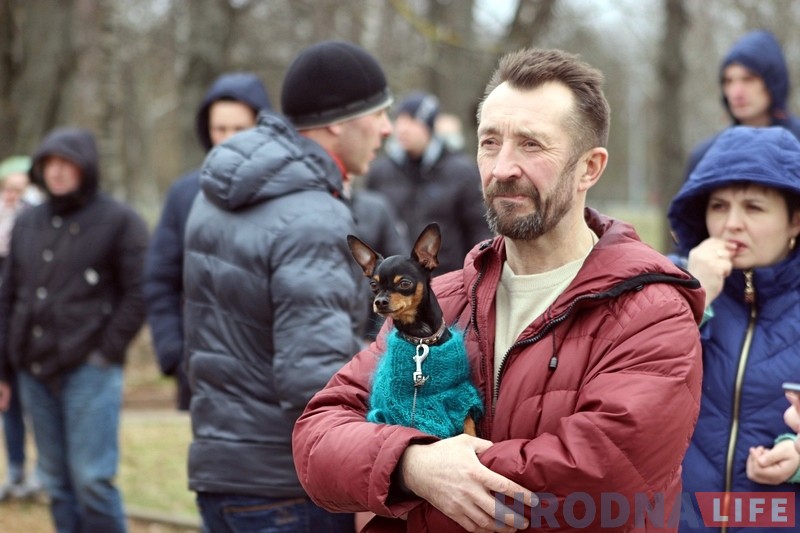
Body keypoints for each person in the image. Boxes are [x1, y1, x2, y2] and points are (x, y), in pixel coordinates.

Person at [293, 47, 705, 532]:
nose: (502, 167)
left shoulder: (651, 312)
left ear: (589, 168)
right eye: (490, 142)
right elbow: (316, 439)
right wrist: (413, 465)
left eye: (531, 145)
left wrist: (432, 473)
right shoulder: (442, 300)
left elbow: (604, 474)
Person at [182, 40, 393, 533]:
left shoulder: (218, 193)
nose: (387, 128)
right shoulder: (312, 215)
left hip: (223, 471)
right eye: (379, 113)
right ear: (338, 122)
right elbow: (315, 374)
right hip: (286, 487)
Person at [0, 127, 148, 532]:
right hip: (33, 372)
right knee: (56, 483)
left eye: (67, 163)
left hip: (90, 371)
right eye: (49, 163)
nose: (57, 171)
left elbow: (140, 292)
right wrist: (5, 368)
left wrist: (106, 352)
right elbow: (8, 296)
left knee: (92, 481)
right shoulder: (27, 222)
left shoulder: (119, 220)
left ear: (86, 167)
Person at [668, 126, 800, 532]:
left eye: (754, 208)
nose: (731, 224)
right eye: (719, 206)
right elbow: (631, 390)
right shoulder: (665, 287)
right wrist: (697, 297)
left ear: (795, 220)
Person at [144, 72, 272, 411]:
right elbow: (160, 279)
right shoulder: (185, 193)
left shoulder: (283, 188)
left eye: (239, 128)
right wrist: (174, 352)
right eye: (220, 129)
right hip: (199, 367)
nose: (228, 139)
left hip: (269, 368)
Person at [366, 91, 492, 274]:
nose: (403, 128)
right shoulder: (381, 173)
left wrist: (477, 274)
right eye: (400, 120)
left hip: (447, 279)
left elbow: (478, 229)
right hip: (394, 282)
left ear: (428, 127)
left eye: (412, 121)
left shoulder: (461, 172)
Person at [685, 30, 800, 177]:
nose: (736, 92)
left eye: (748, 79)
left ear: (773, 82)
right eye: (728, 81)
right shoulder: (707, 157)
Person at [0, 155, 42, 501]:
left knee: (36, 404)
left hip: (32, 334)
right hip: (3, 337)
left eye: (19, 189)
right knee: (8, 402)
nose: (12, 196)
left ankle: (44, 471)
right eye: (7, 189)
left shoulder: (39, 229)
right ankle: (15, 469)